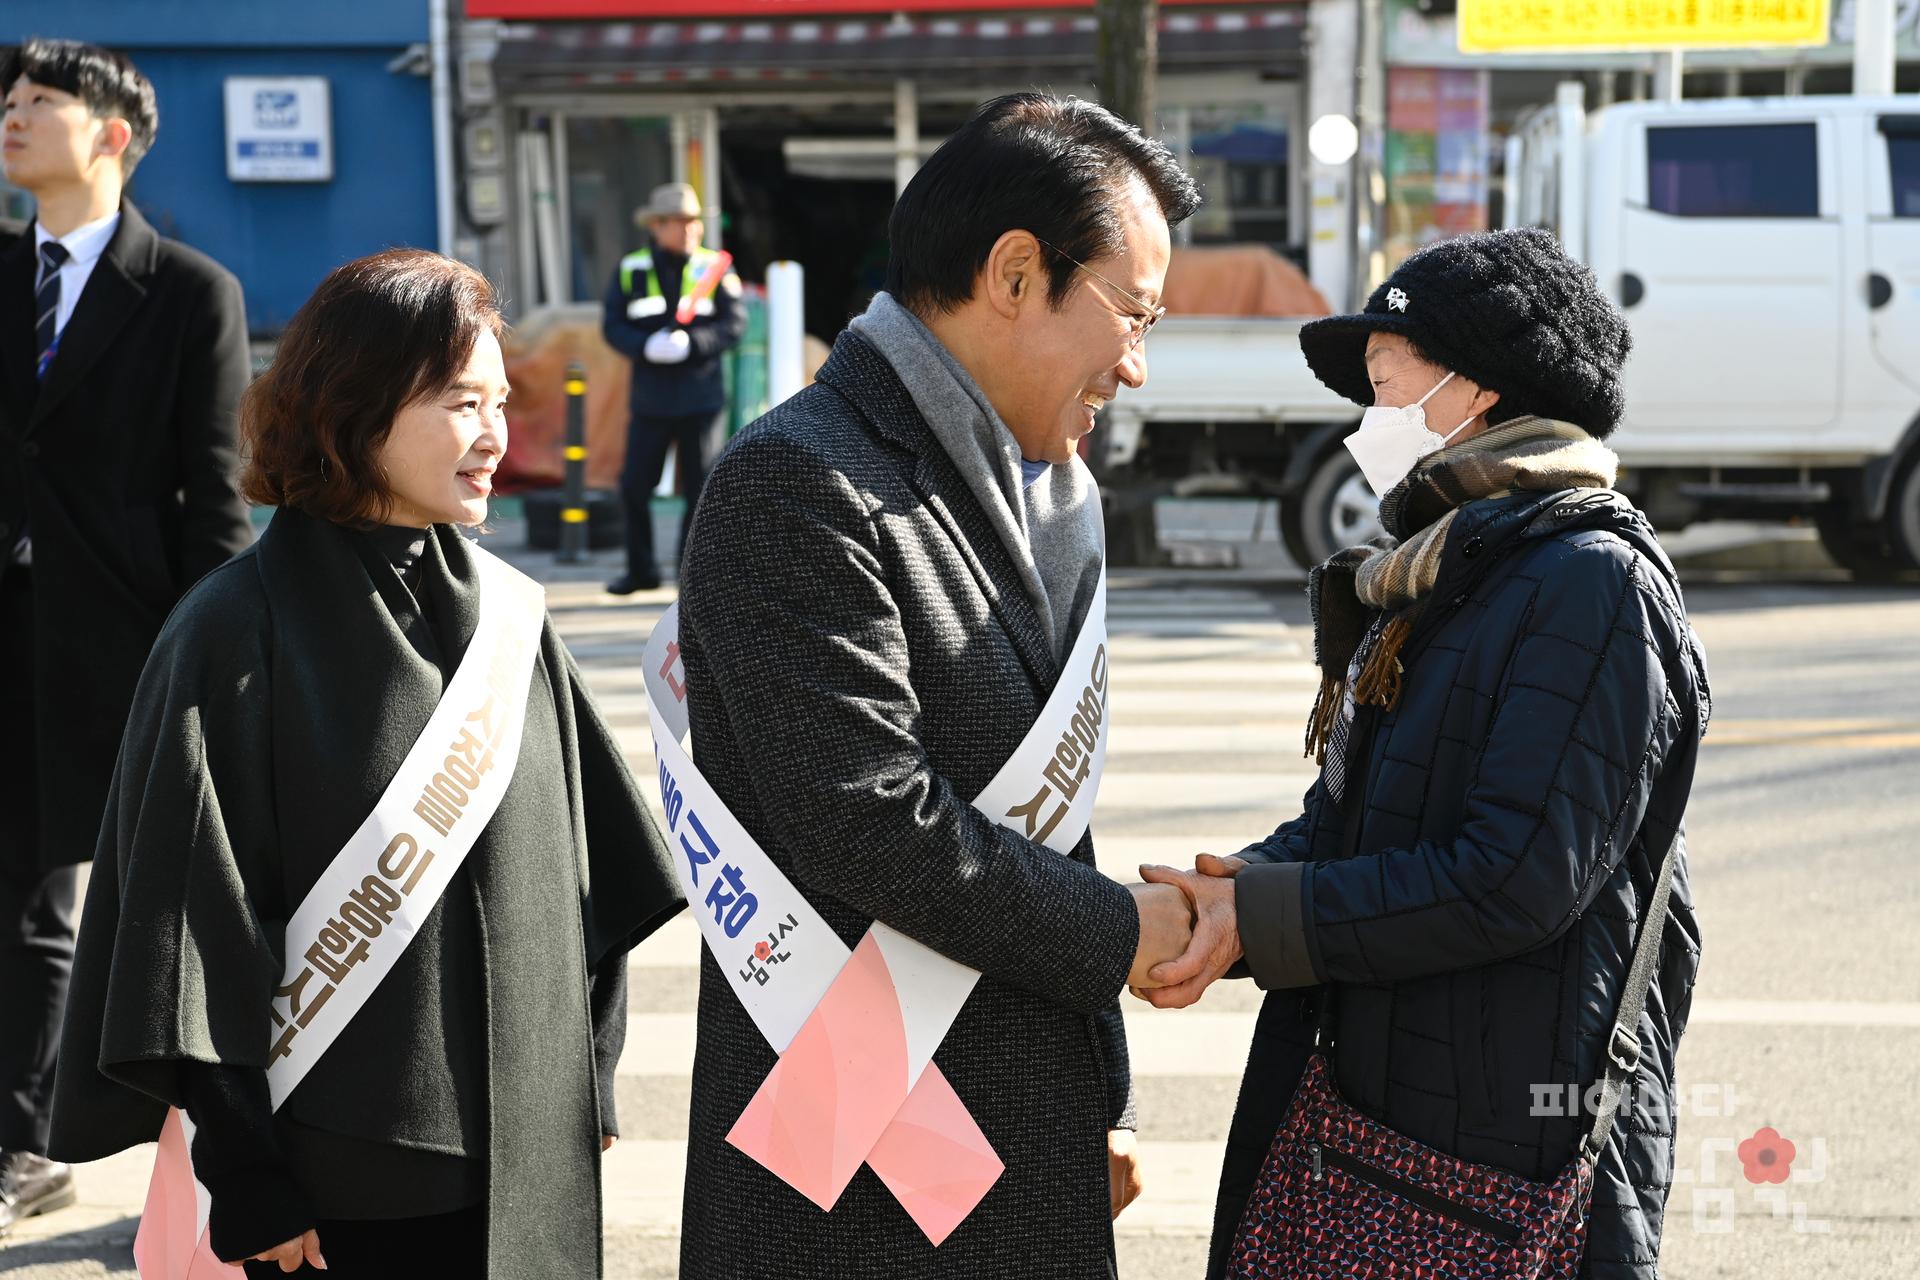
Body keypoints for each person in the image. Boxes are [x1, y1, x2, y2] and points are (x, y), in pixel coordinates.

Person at [48, 250, 684, 1278]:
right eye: (459, 402)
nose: (495, 436)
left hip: (531, 1160)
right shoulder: (230, 627)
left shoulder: (513, 616)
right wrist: (249, 1174)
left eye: (500, 401)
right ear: (354, 407)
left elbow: (593, 882)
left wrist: (588, 1079)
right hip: (341, 1183)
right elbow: (188, 934)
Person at [673, 93, 1199, 1278]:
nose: (1136, 362)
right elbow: (869, 822)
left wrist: (1093, 1093)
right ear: (1016, 274)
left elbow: (1053, 817)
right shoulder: (801, 481)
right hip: (868, 1151)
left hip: (1025, 1116)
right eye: (1131, 313)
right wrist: (1124, 933)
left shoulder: (1053, 491)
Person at [1133, 228, 1711, 1280]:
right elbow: (1357, 812)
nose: (1370, 418)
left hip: (1490, 1160)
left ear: (1477, 385)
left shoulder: (1589, 583)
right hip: (1385, 1124)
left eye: (1387, 382)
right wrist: (1232, 893)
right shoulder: (1454, 566)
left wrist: (1266, 916)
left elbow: (1514, 876)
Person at [0, 38, 252, 1234]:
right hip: (11, 643)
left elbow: (214, 494)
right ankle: (20, 1137)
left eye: (41, 99)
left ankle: (231, 1140)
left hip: (131, 645)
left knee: (178, 899)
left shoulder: (189, 289)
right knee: (23, 899)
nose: (12, 113)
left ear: (113, 132)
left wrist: (218, 654)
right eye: (8, 97)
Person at [600, 181, 744, 594]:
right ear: (656, 226)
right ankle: (641, 570)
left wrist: (693, 343)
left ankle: (690, 575)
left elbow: (734, 324)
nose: (689, 229)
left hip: (702, 398)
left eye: (694, 221)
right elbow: (612, 325)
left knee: (701, 490)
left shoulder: (715, 267)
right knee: (633, 487)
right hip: (651, 398)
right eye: (679, 222)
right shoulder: (632, 269)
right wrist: (644, 345)